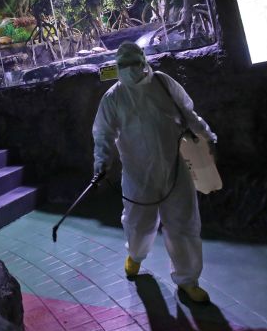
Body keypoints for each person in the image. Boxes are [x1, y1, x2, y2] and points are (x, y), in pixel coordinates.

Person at [92, 41, 217, 303]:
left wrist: (207, 135)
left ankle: (187, 280)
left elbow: (188, 113)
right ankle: (135, 256)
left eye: (133, 63)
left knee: (184, 225)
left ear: (144, 60)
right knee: (138, 224)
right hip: (138, 175)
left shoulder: (163, 83)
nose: (129, 70)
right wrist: (102, 161)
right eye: (122, 65)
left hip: (175, 169)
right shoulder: (114, 97)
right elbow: (103, 134)